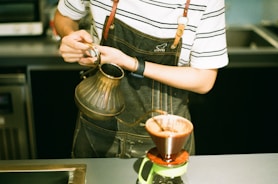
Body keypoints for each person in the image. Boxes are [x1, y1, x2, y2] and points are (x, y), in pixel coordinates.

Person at [54, 0, 229, 158]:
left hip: (167, 135)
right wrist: (70, 36)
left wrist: (131, 63)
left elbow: (204, 80)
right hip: (96, 124)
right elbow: (63, 17)